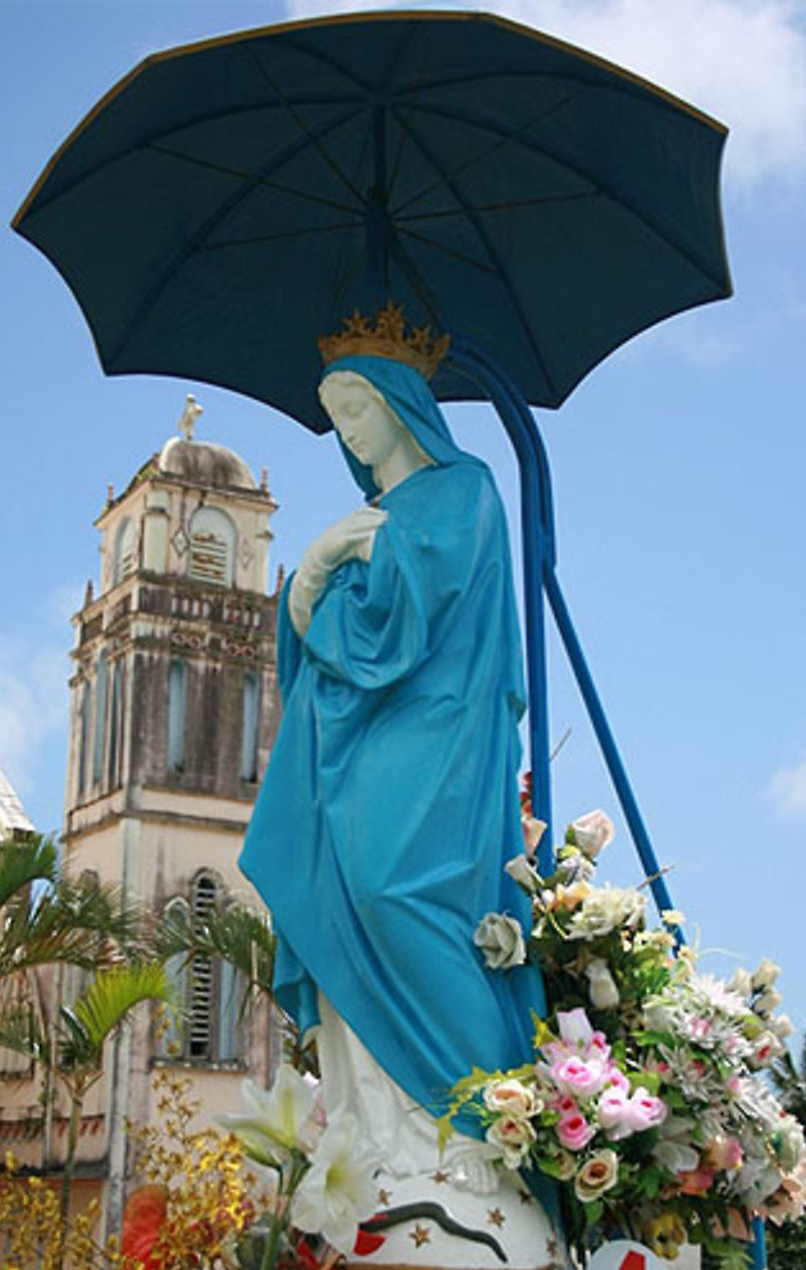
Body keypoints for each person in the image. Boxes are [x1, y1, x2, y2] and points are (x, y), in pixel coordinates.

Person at [240, 310, 546, 1200]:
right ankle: (389, 1138)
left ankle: (486, 1128)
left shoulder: (468, 491)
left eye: (358, 408)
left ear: (404, 405)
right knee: (347, 893)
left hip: (442, 735)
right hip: (361, 743)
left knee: (395, 891)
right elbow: (325, 639)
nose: (348, 431)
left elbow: (395, 627)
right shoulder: (370, 518)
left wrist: (327, 574)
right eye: (335, 414)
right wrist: (314, 568)